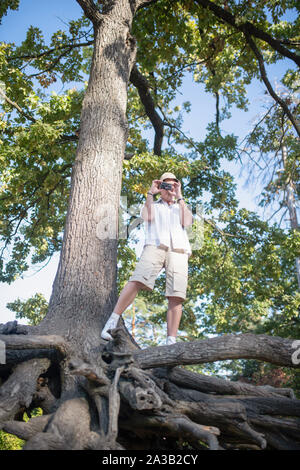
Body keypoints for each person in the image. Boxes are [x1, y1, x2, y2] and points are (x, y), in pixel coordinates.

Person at [101, 172, 194, 345]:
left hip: (179, 250)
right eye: (166, 185)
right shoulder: (154, 204)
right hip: (155, 245)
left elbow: (188, 222)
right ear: (160, 186)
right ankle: (111, 321)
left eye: (173, 185)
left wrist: (179, 196)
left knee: (176, 294)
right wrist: (151, 193)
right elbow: (147, 216)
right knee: (137, 280)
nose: (169, 188)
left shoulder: (180, 206)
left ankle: (171, 341)